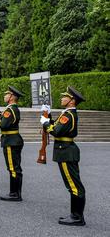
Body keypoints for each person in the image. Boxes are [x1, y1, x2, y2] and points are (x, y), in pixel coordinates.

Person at [41, 86, 86, 226]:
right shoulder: (67, 113)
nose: (62, 98)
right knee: (73, 184)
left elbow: (57, 131)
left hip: (66, 152)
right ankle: (75, 215)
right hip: (65, 150)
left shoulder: (68, 115)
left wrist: (46, 123)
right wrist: (48, 118)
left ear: (72, 101)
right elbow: (58, 126)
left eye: (65, 96)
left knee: (73, 185)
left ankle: (77, 217)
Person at [0, 85, 24, 201]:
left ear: (11, 97)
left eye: (7, 94)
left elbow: (4, 125)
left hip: (11, 141)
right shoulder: (11, 109)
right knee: (14, 168)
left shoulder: (10, 110)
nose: (5, 96)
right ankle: (15, 192)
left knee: (13, 168)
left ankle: (14, 193)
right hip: (12, 140)